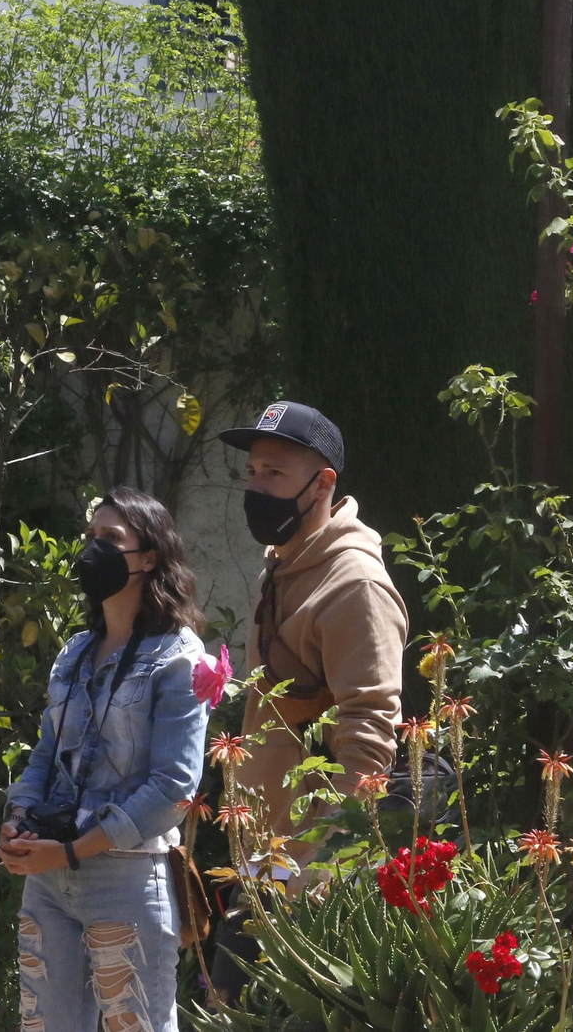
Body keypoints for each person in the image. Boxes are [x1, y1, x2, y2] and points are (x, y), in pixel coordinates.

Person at [210, 400, 407, 1003]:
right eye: (252, 472)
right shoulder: (282, 565)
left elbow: (370, 732)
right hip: (263, 858)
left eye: (274, 473)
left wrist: (320, 868)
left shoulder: (354, 585)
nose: (256, 488)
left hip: (309, 878)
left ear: (323, 484)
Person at [0, 487, 211, 1032]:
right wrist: (18, 821)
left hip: (126, 876)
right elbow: (46, 756)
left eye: (111, 538)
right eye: (91, 536)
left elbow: (174, 788)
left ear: (150, 557)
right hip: (48, 880)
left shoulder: (180, 656)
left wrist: (72, 850)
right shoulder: (74, 651)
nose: (94, 548)